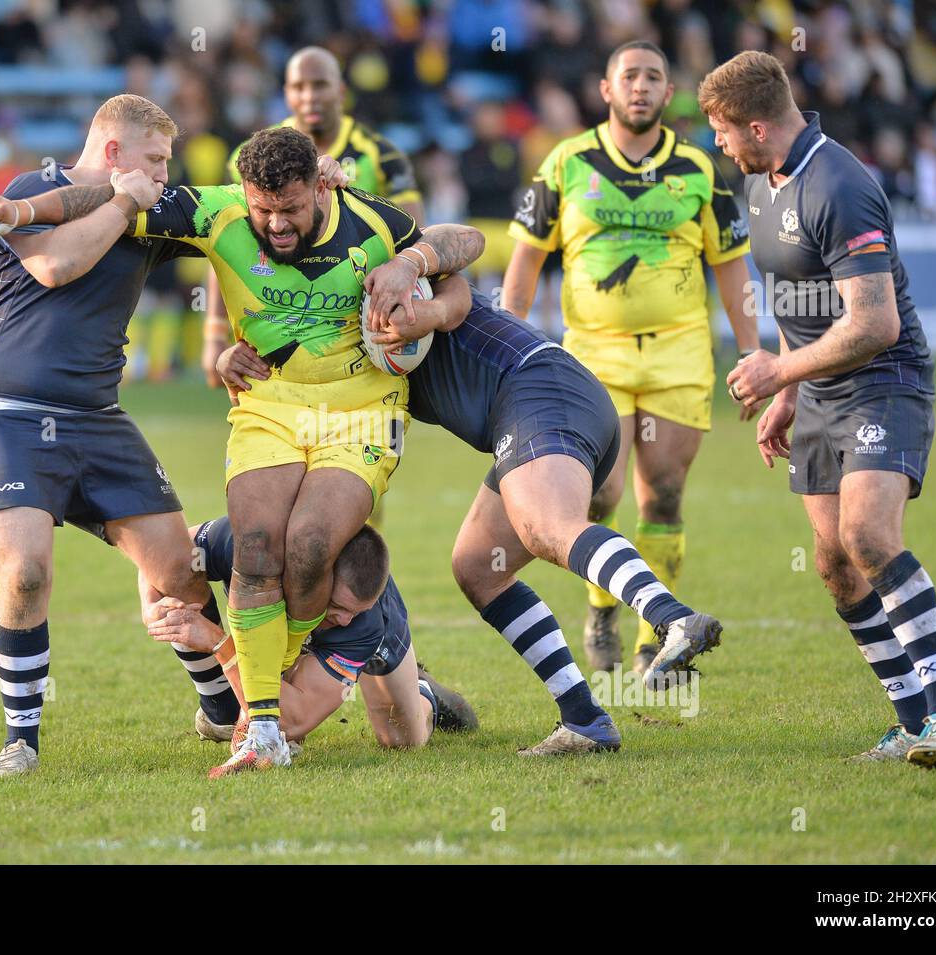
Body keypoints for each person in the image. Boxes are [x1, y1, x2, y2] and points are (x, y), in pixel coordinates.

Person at [0, 126, 484, 777]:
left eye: (291, 209)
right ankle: (265, 728)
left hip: (359, 415)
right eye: (262, 209)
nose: (275, 223)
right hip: (268, 405)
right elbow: (103, 197)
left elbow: (464, 250)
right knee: (255, 546)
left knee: (308, 546)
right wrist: (19, 212)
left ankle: (285, 675)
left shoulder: (372, 224)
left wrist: (416, 278)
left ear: (318, 191)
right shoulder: (216, 209)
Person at [220, 283, 725, 754]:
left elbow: (458, 246)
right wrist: (234, 362)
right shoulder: (336, 349)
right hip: (550, 399)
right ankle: (584, 720)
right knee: (479, 566)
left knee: (547, 525)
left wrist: (414, 270)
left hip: (540, 389)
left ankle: (670, 616)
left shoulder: (389, 266)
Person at [699, 51, 936, 766]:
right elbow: (803, 308)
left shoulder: (839, 183)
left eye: (722, 132)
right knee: (833, 563)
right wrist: (789, 394)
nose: (718, 145)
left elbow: (874, 322)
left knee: (867, 534)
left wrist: (775, 370)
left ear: (757, 126)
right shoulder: (763, 184)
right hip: (818, 391)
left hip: (884, 378)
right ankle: (915, 724)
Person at [0, 94, 216, 778]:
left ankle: (220, 707)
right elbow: (56, 266)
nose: (165, 173)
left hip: (95, 415)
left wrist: (324, 176)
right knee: (27, 570)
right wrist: (123, 204)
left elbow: (247, 212)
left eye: (167, 163)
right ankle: (21, 739)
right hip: (4, 408)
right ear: (112, 152)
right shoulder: (34, 188)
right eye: (154, 160)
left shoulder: (151, 207)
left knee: (180, 572)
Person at [502, 42, 759, 674]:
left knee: (664, 496)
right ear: (606, 89)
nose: (640, 86)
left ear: (667, 93)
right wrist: (511, 342)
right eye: (629, 76)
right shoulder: (565, 162)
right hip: (592, 357)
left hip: (678, 355)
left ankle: (654, 643)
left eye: (653, 77)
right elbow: (526, 262)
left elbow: (730, 268)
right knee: (598, 496)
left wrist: (753, 352)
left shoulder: (699, 168)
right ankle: (600, 609)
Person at [141, 516, 477, 753]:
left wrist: (217, 642)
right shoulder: (248, 543)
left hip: (371, 637)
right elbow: (160, 551)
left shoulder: (362, 622)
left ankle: (424, 693)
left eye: (353, 612)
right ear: (318, 573)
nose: (345, 620)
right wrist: (150, 608)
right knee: (175, 575)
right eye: (337, 606)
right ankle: (220, 710)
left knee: (402, 738)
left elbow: (291, 718)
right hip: (285, 604)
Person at [202, 45, 425, 386]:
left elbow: (414, 236)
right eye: (298, 87)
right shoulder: (253, 159)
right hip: (273, 313)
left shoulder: (381, 155)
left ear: (341, 91)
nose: (309, 97)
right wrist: (215, 333)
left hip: (355, 316)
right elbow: (223, 245)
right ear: (286, 94)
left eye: (319, 85)